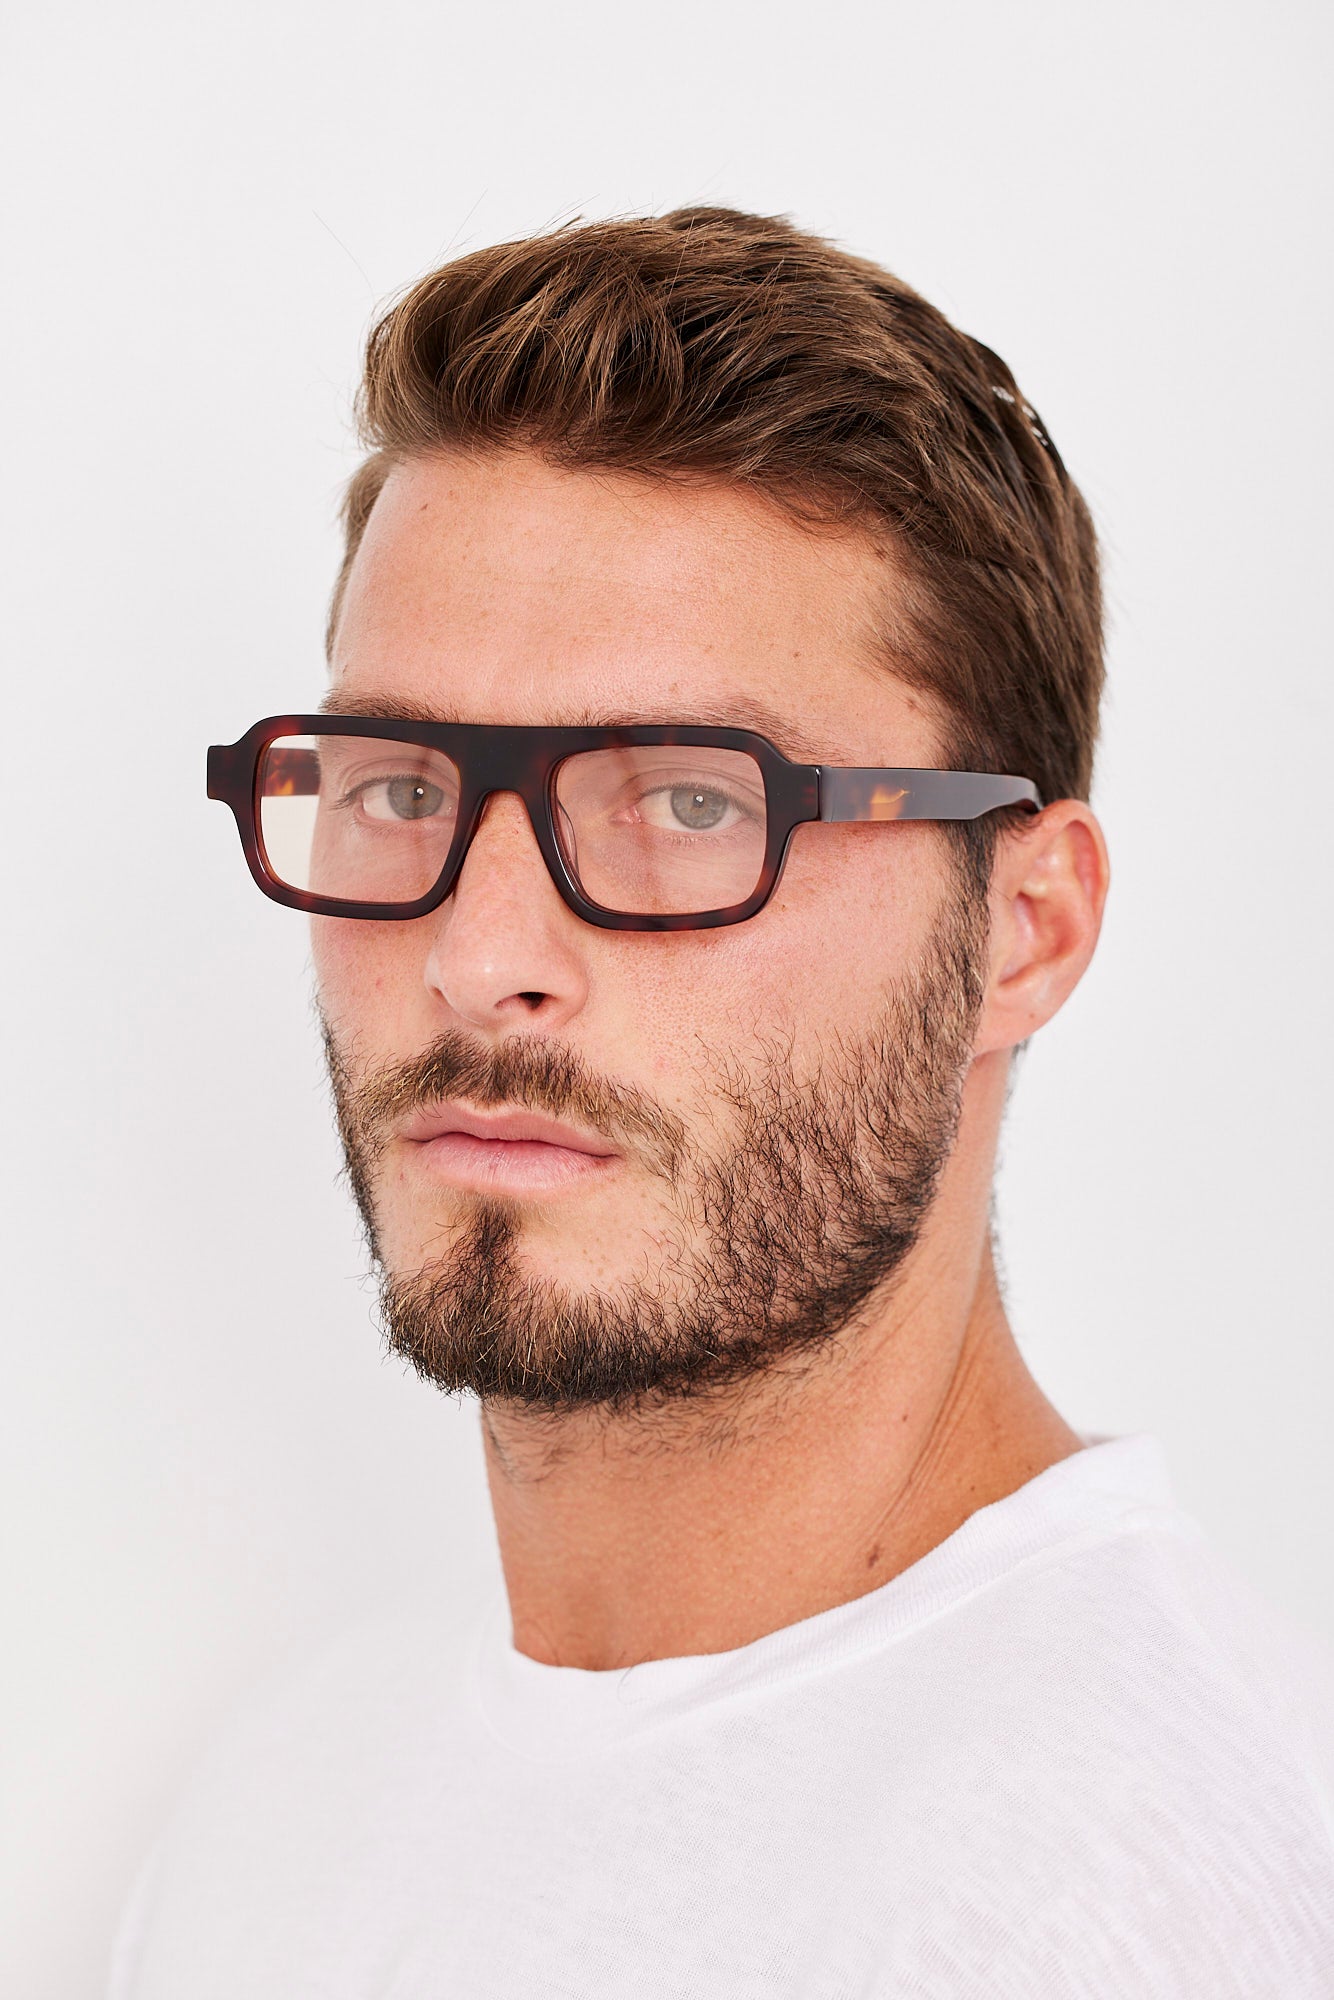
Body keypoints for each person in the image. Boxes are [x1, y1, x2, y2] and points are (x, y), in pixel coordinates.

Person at [110, 208, 1333, 1996]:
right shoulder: (284, 1809)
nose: (480, 956)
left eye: (690, 803)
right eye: (400, 786)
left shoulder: (1156, 1892)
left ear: (1023, 928)